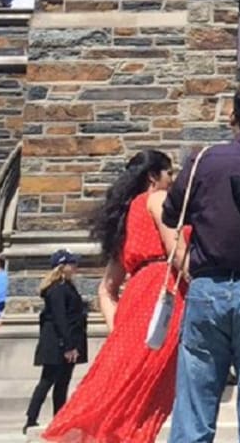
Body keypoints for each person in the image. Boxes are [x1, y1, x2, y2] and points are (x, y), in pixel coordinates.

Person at [163, 82, 240, 443]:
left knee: (194, 412)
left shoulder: (203, 161)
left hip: (207, 288)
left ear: (232, 116)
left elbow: (172, 215)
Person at [43, 149, 184, 443]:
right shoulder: (157, 200)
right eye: (169, 172)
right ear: (152, 176)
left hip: (136, 303)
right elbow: (177, 252)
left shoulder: (126, 217)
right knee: (146, 392)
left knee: (117, 386)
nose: (172, 179)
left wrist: (119, 331)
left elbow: (106, 288)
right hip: (164, 294)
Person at [25, 250, 87, 435]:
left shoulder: (67, 286)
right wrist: (68, 346)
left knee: (63, 382)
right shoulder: (57, 289)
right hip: (57, 343)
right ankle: (31, 418)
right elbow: (60, 318)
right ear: (62, 266)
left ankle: (59, 418)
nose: (75, 267)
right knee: (48, 380)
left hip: (67, 341)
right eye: (71, 264)